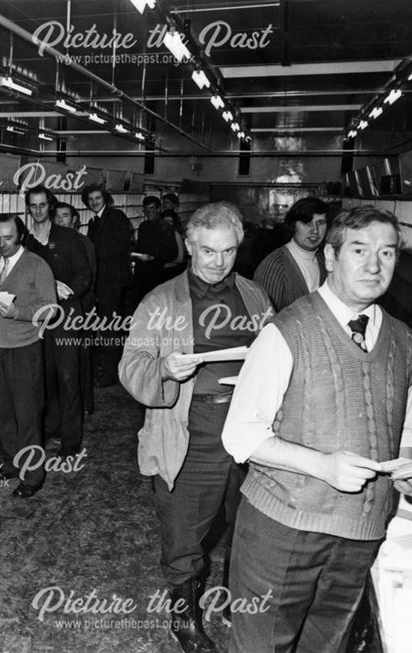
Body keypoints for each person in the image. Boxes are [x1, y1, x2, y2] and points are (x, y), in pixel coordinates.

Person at [222, 206, 412, 653]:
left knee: (328, 644)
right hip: (282, 527)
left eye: (387, 253)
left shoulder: (406, 345)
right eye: (360, 250)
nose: (374, 265)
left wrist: (410, 466)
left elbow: (408, 429)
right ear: (331, 257)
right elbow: (240, 435)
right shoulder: (287, 332)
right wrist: (322, 465)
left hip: (361, 533)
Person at [118, 202, 273, 653]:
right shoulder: (161, 301)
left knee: (249, 520)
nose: (217, 261)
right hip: (192, 427)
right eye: (207, 251)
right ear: (188, 246)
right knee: (185, 528)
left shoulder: (254, 296)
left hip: (249, 424)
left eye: (227, 251)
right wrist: (165, 369)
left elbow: (277, 356)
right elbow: (132, 367)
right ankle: (183, 617)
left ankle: (231, 599)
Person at [0, 214, 57, 498]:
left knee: (27, 414)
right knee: (5, 413)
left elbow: (50, 309)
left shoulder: (37, 265)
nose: (2, 244)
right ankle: (14, 462)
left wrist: (19, 313)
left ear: (21, 236)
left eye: (8, 238)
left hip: (25, 349)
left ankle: (33, 475)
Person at [23, 186, 92, 459]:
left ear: (50, 207)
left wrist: (69, 290)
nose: (38, 210)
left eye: (42, 205)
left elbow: (84, 274)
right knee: (44, 375)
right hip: (38, 318)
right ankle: (52, 426)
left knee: (67, 376)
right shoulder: (26, 241)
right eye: (33, 206)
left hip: (66, 315)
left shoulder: (68, 237)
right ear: (28, 208)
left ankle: (71, 439)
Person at [80, 183, 133, 387]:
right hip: (103, 282)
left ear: (105, 199)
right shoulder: (95, 221)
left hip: (112, 282)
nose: (94, 202)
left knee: (111, 328)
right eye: (91, 199)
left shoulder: (115, 216)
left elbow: (117, 247)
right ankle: (108, 368)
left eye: (97, 198)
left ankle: (111, 373)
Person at [54, 202, 97, 414]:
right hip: (63, 309)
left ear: (74, 220)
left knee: (81, 358)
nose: (60, 220)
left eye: (65, 215)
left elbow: (88, 280)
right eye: (57, 216)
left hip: (82, 308)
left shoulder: (82, 242)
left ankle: (85, 404)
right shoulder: (56, 242)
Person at [252, 197, 329, 311]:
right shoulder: (273, 267)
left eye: (320, 223)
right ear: (293, 226)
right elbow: (264, 321)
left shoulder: (325, 261)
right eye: (307, 223)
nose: (315, 230)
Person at [132, 195, 178, 307]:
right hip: (141, 271)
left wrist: (154, 257)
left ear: (159, 209)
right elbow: (140, 247)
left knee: (154, 305)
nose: (149, 212)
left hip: (157, 272)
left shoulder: (165, 227)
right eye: (146, 210)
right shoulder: (143, 226)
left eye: (152, 208)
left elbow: (172, 253)